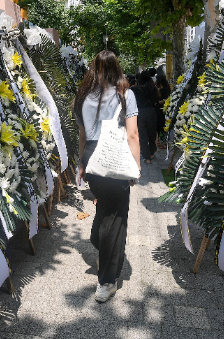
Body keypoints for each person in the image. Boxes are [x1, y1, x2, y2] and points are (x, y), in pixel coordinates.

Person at [74, 50, 140, 303]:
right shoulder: (126, 95)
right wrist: (135, 165)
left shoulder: (82, 97)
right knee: (117, 217)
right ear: (117, 69)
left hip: (92, 156)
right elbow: (132, 135)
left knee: (106, 207)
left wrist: (81, 163)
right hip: (114, 156)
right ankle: (107, 282)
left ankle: (98, 238)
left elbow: (81, 136)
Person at [131, 71, 159, 163]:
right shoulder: (153, 88)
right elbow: (156, 101)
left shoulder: (135, 90)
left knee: (142, 135)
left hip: (140, 112)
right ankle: (152, 151)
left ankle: (147, 157)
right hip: (151, 112)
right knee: (152, 134)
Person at [155, 74, 171, 148]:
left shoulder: (165, 89)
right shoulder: (161, 88)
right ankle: (160, 141)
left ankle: (163, 142)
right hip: (160, 109)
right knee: (159, 125)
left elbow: (165, 100)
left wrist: (157, 102)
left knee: (162, 125)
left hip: (162, 110)